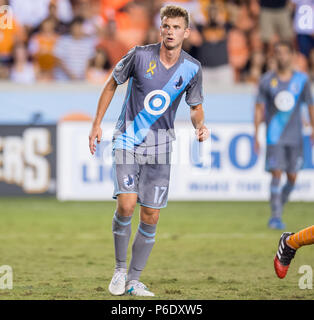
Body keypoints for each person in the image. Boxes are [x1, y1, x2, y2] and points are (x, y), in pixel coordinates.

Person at [89, 5, 208, 296]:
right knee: (127, 204)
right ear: (160, 29)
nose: (170, 31)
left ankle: (133, 280)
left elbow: (195, 108)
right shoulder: (140, 55)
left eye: (176, 27)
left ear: (186, 32)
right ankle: (119, 270)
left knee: (151, 215)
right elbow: (110, 84)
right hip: (127, 141)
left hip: (162, 147)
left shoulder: (192, 68)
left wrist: (200, 126)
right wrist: (96, 125)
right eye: (166, 26)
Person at [254, 41, 314, 230]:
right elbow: (258, 108)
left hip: (295, 137)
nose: (281, 56)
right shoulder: (266, 80)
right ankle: (275, 216)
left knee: (292, 178)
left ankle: (281, 203)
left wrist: (313, 128)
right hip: (275, 137)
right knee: (276, 174)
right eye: (277, 53)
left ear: (292, 56)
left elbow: (310, 106)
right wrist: (256, 134)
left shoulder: (301, 80)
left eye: (284, 53)